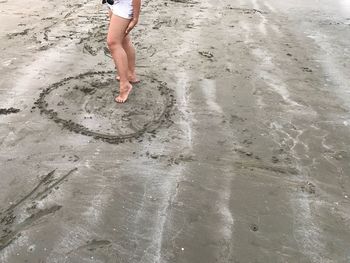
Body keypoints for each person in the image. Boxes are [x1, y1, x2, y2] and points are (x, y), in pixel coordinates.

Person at [106, 0, 141, 103]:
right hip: (113, 3)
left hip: (125, 4)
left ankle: (125, 85)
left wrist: (135, 17)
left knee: (113, 42)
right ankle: (130, 74)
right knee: (123, 39)